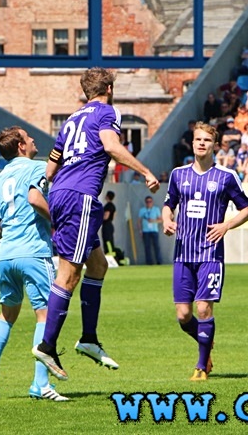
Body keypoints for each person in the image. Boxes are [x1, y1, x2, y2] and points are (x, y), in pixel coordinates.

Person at [33, 68, 159, 381]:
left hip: (63, 192)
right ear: (109, 88)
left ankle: (89, 338)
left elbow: (50, 168)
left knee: (98, 265)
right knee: (69, 273)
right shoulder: (107, 112)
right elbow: (111, 146)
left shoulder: (71, 119)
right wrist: (145, 171)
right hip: (81, 196)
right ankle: (47, 345)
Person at [0, 126, 68, 402]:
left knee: (6, 315)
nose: (33, 139)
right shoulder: (35, 168)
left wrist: (11, 235)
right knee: (45, 316)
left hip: (6, 254)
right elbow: (34, 198)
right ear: (21, 145)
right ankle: (40, 385)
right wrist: (58, 220)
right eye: (28, 137)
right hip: (33, 252)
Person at [162, 122, 248, 381]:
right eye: (197, 139)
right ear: (192, 143)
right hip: (182, 254)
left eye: (206, 140)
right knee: (183, 315)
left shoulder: (226, 176)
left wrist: (226, 225)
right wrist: (166, 219)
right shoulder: (179, 175)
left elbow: (246, 209)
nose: (201, 143)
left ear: (215, 145)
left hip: (210, 255)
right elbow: (169, 204)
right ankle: (205, 342)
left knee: (203, 310)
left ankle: (201, 366)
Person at [138, 196, 163, 266]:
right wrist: (140, 230)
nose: (149, 203)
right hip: (146, 231)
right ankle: (149, 261)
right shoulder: (142, 210)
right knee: (147, 247)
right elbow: (139, 221)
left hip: (154, 230)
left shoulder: (156, 209)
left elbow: (161, 220)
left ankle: (159, 261)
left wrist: (153, 221)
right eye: (147, 202)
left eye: (150, 202)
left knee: (156, 246)